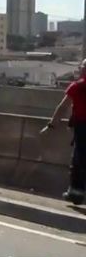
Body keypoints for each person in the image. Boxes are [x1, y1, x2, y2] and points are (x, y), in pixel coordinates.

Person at [44, 58, 86, 204]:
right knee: (78, 159)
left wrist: (51, 125)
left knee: (79, 160)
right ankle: (76, 192)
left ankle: (76, 193)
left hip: (82, 127)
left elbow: (63, 107)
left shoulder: (77, 86)